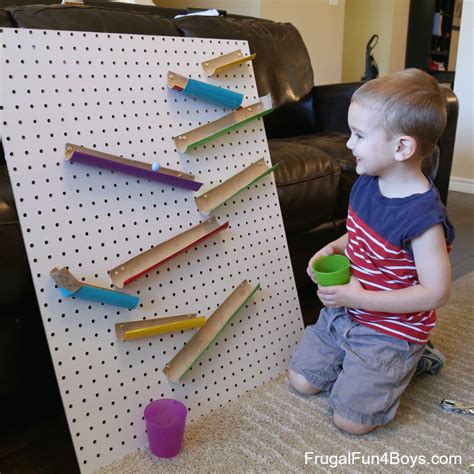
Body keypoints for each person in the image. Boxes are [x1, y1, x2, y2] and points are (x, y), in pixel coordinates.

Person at [288, 69, 455, 435]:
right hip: (348, 314)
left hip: (391, 331)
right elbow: (358, 235)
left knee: (351, 421)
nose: (349, 144)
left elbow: (436, 293)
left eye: (359, 135)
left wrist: (359, 295)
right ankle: (365, 361)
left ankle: (413, 355)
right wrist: (332, 246)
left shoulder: (423, 220)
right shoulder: (367, 184)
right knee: (302, 380)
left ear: (402, 147)